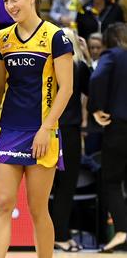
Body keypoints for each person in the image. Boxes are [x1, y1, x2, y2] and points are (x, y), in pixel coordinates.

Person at [0, 0, 74, 258]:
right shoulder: (3, 38)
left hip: (42, 131)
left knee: (38, 209)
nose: (10, 5)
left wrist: (46, 128)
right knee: (2, 204)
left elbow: (67, 88)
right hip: (8, 131)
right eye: (5, 1)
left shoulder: (55, 36)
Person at [49, 28, 90, 252]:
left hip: (45, 129)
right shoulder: (79, 67)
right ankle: (61, 235)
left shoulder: (47, 66)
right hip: (68, 132)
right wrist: (88, 56)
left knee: (45, 188)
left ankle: (49, 234)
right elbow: (92, 90)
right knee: (66, 186)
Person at [88, 23, 127, 253]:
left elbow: (97, 78)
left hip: (119, 126)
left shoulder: (112, 55)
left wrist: (95, 108)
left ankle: (121, 230)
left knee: (111, 181)